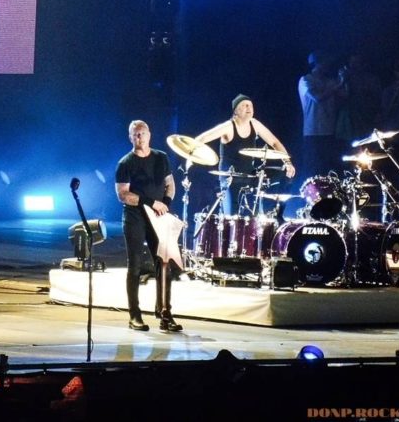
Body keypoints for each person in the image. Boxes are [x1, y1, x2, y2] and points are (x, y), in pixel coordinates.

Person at [115, 120, 182, 332]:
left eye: (142, 133)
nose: (140, 138)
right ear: (130, 138)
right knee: (134, 265)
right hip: (135, 216)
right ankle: (134, 315)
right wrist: (151, 202)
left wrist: (166, 205)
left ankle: (165, 313)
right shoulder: (125, 163)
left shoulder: (161, 158)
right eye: (135, 135)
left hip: (158, 216)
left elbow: (170, 184)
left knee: (164, 262)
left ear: (149, 135)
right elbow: (123, 195)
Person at [194, 94, 296, 216]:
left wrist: (288, 163)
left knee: (285, 173)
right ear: (236, 111)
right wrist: (191, 152)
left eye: (251, 105)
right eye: (244, 105)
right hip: (230, 179)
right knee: (232, 217)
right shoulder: (228, 126)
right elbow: (203, 138)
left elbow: (274, 142)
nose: (249, 108)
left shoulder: (255, 124)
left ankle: (276, 213)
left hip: (249, 176)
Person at [298, 51, 348, 182]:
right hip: (313, 132)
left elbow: (345, 96)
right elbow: (317, 98)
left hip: (330, 131)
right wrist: (338, 85)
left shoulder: (331, 81)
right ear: (317, 63)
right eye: (324, 62)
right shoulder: (306, 80)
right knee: (313, 169)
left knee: (328, 170)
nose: (327, 65)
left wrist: (344, 79)